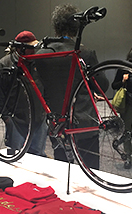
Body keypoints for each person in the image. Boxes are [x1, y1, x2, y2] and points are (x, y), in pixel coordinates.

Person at [35, 4, 109, 169]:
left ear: (56, 27)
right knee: (91, 173)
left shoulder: (41, 56)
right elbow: (102, 86)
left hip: (58, 122)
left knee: (63, 171)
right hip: (85, 122)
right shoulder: (86, 54)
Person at [0, 30, 47, 157]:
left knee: (39, 157)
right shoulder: (4, 65)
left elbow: (46, 87)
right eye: (30, 48)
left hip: (38, 121)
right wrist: (6, 117)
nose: (34, 51)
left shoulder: (37, 63)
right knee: (16, 159)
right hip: (16, 122)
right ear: (20, 49)